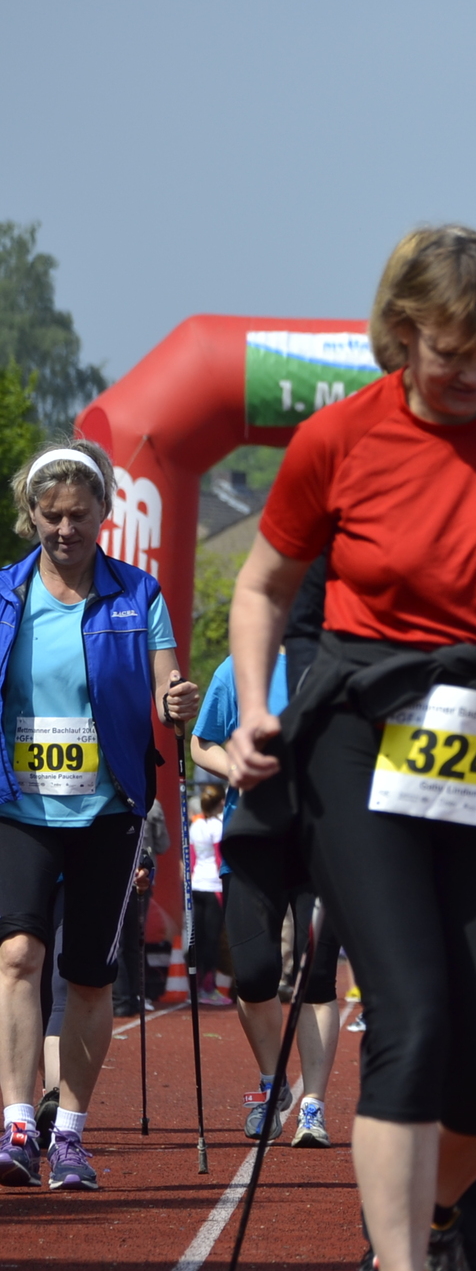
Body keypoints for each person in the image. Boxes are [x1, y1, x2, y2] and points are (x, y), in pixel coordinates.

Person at [221, 224, 476, 1271]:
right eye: (454, 354)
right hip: (366, 728)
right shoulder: (338, 438)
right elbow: (262, 584)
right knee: (411, 1014)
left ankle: (434, 1216)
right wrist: (258, 707)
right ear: (400, 335)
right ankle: (398, 1258)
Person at [0, 437, 199, 1191]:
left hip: (107, 808)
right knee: (17, 954)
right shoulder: (3, 596)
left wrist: (175, 701)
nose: (64, 530)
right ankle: (19, 1122)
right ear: (30, 515)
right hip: (17, 805)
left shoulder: (137, 596)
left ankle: (72, 1133)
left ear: (104, 514)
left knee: (87, 979)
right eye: (49, 516)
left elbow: (164, 688)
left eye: (79, 516)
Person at [193, 648, 346, 1146]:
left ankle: (314, 1107)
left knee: (315, 977)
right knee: (255, 975)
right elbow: (200, 744)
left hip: (323, 847)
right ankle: (270, 1080)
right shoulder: (238, 668)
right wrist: (233, 768)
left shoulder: (342, 662)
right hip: (254, 845)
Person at [187, 784, 230, 1006]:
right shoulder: (217, 826)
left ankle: (196, 987)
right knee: (212, 941)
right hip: (214, 886)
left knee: (199, 939)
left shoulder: (196, 826)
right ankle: (208, 988)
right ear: (220, 802)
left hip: (197, 886)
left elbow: (192, 859)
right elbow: (219, 858)